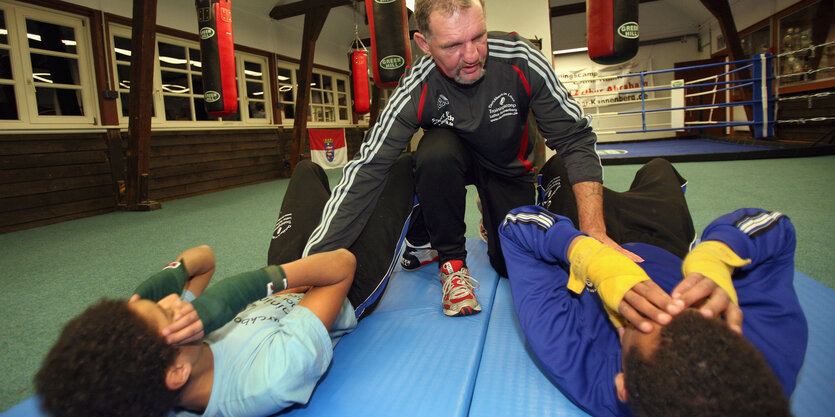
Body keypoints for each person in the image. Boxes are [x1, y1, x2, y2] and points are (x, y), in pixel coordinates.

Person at [302, 0, 621, 318]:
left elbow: (575, 138)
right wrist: (311, 263)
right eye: (453, 45)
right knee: (434, 152)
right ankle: (449, 260)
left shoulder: (520, 59)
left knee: (510, 265)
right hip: (449, 163)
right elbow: (367, 167)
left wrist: (594, 231)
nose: (471, 56)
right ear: (424, 44)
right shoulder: (417, 84)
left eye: (478, 37)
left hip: (506, 167)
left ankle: (489, 209)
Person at [34, 156, 415, 417]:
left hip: (278, 279)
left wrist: (152, 292)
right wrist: (262, 282)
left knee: (305, 171)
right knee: (399, 169)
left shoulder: (174, 348)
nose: (174, 303)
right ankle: (424, 231)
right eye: (166, 310)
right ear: (177, 373)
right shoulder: (271, 378)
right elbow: (341, 266)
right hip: (338, 286)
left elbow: (203, 259)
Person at [498, 158, 808, 417]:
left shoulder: (579, 363)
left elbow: (517, 227)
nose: (656, 300)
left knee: (565, 167)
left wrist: (588, 255)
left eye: (634, 317)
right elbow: (774, 226)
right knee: (660, 168)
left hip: (592, 240)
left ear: (622, 386)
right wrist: (717, 255)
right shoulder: (768, 363)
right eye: (691, 307)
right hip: (667, 244)